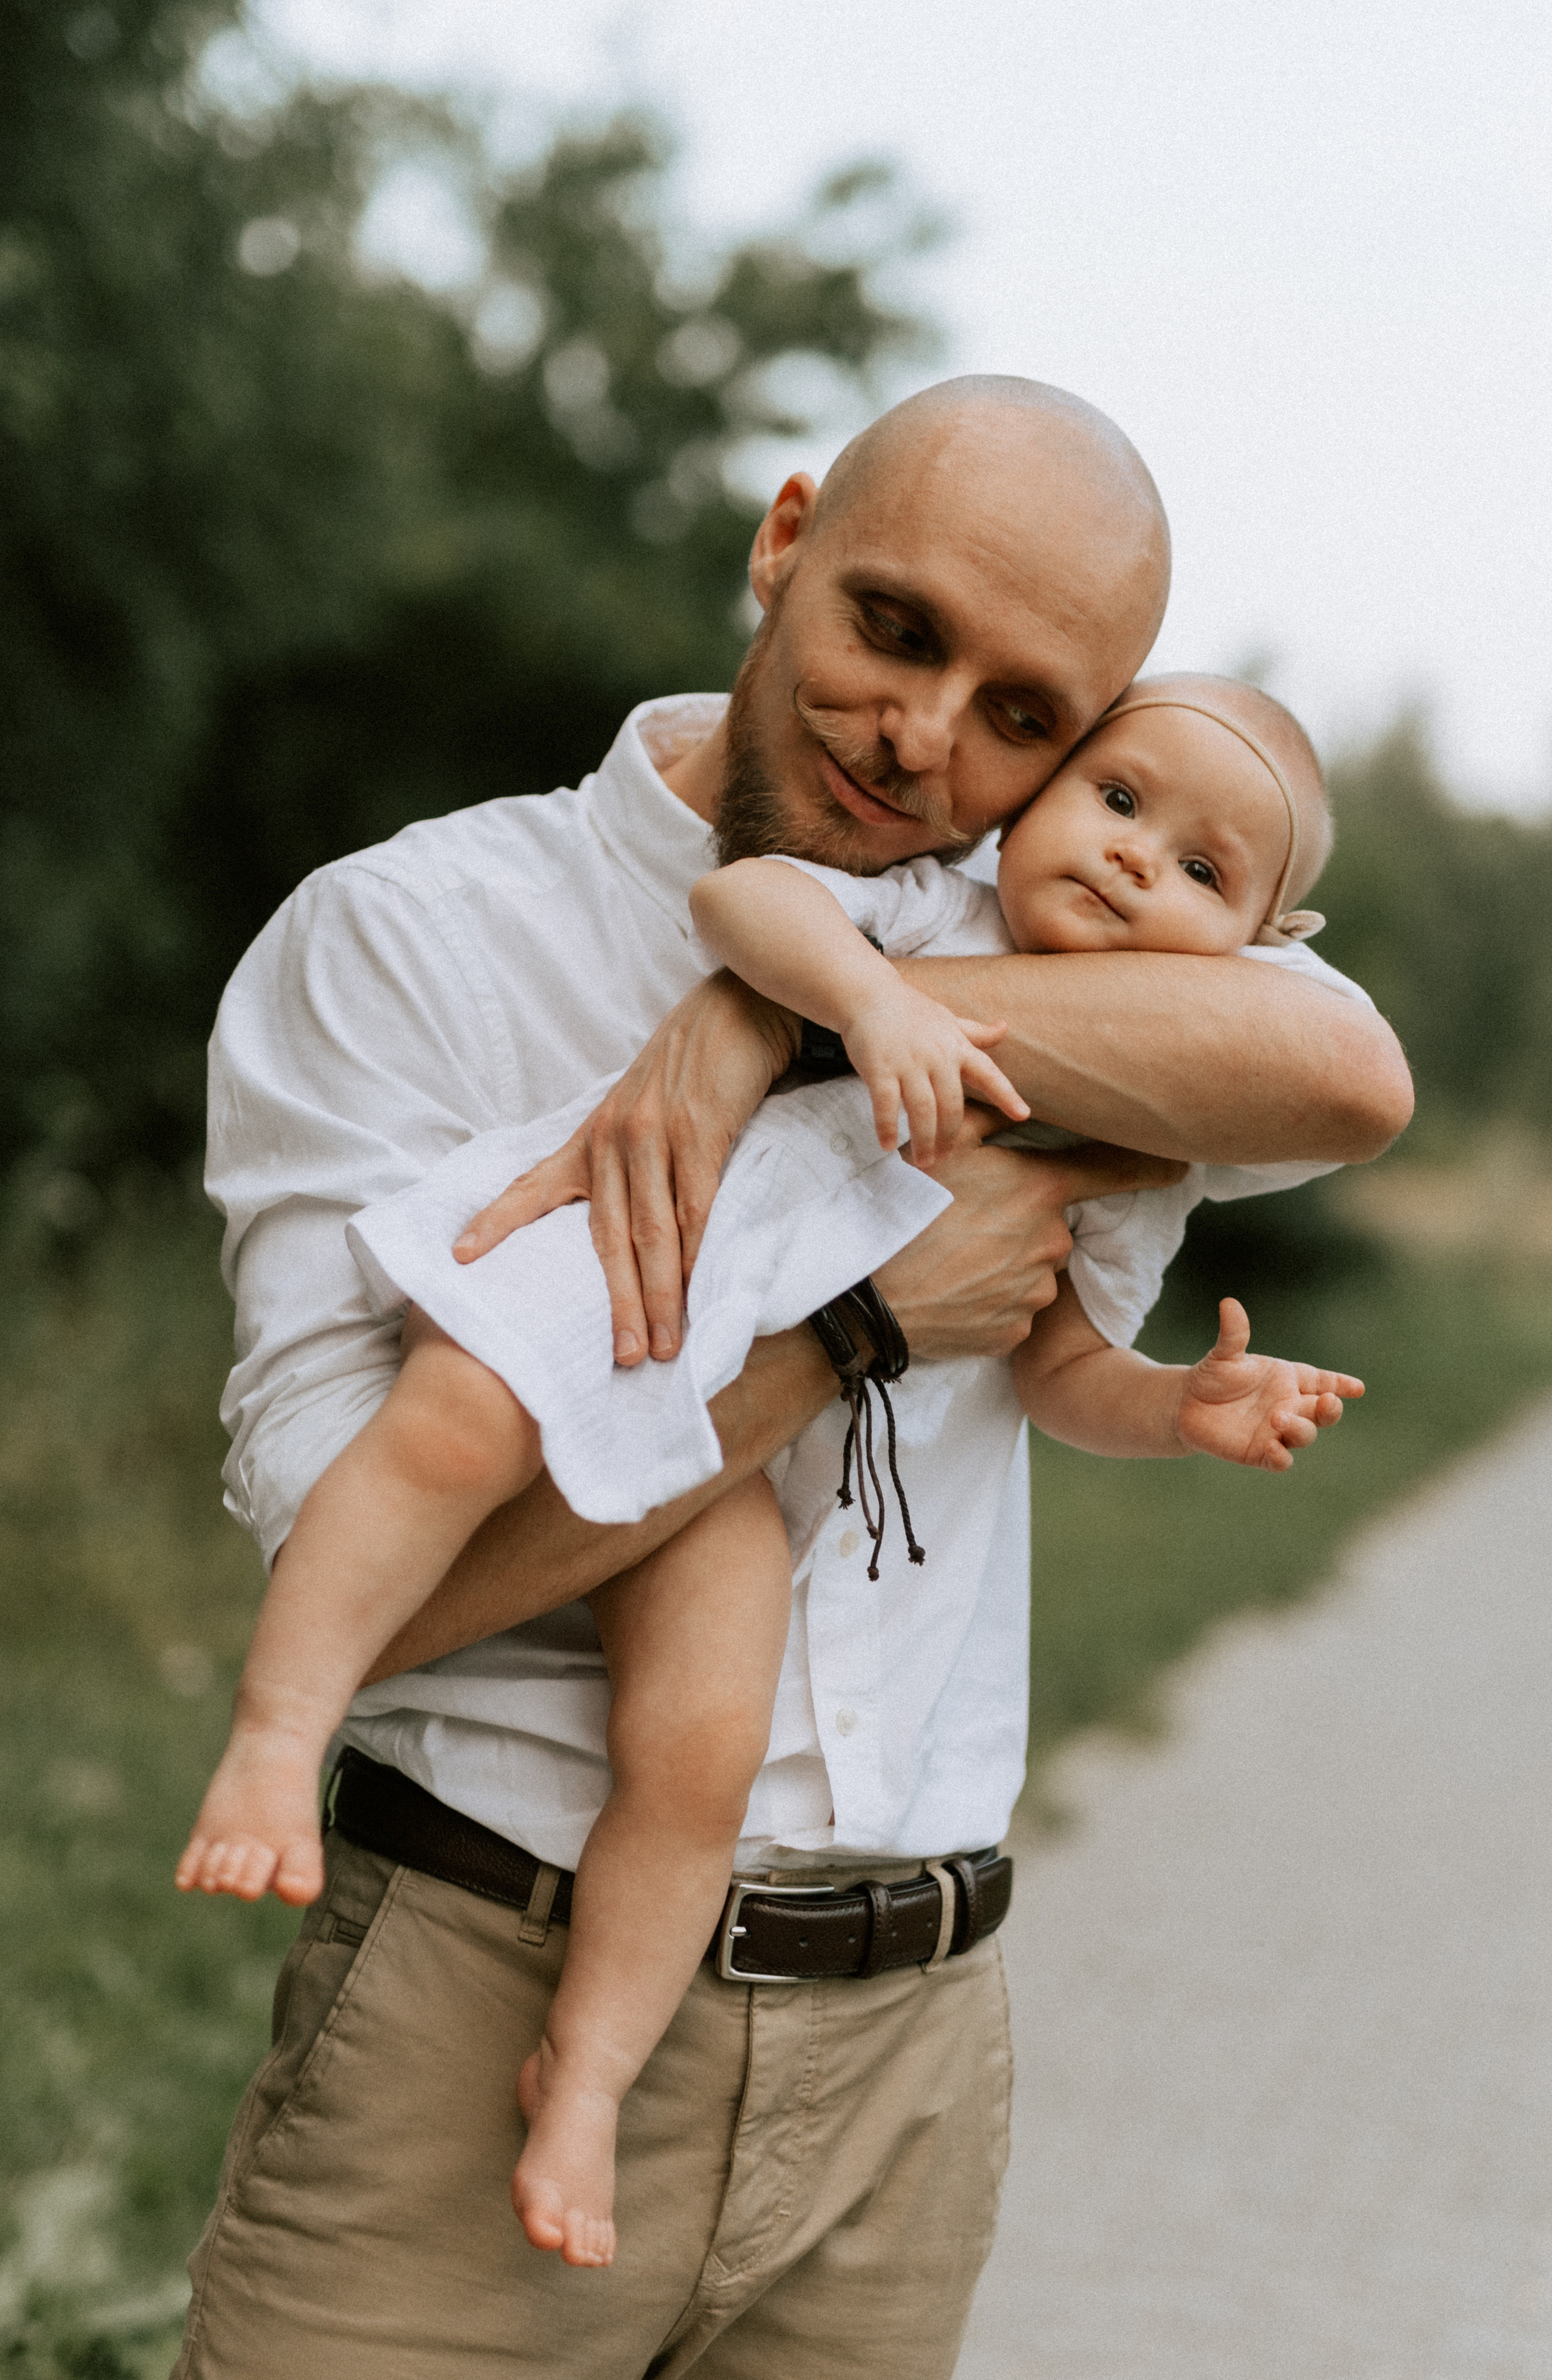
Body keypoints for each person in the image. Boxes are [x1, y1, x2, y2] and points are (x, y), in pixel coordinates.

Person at [176, 378, 1412, 2380]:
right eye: (894, 631)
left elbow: (1349, 1072)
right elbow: (354, 1568)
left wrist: (783, 1017)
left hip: (911, 2060)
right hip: (483, 2002)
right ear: (782, 546)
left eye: (1028, 718)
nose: (926, 741)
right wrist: (843, 1331)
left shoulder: (1052, 933)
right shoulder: (408, 935)